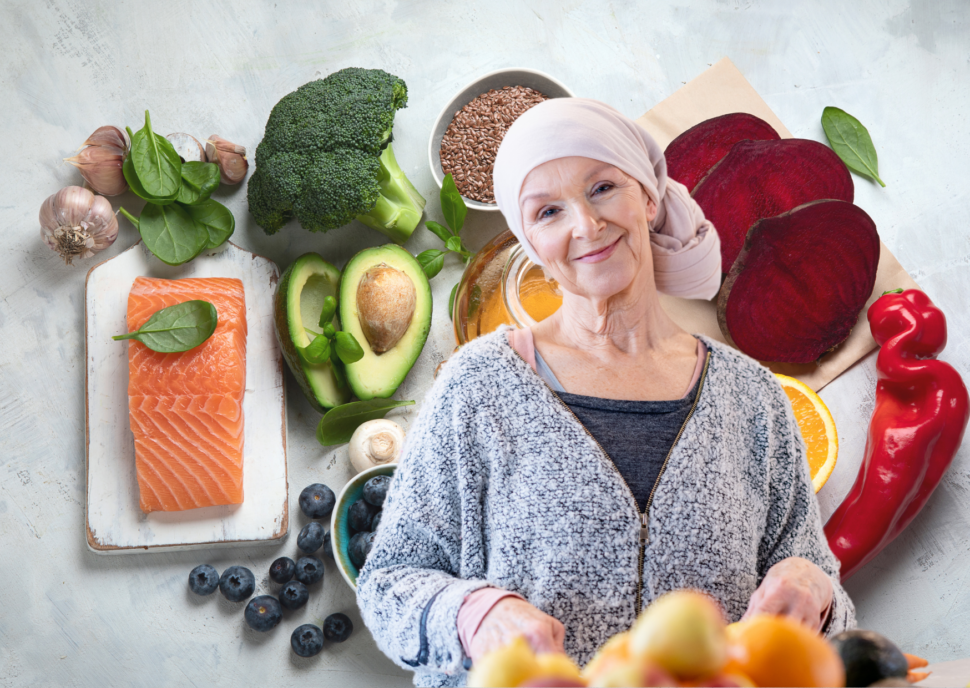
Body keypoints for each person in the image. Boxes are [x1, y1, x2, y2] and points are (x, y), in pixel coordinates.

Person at [356, 98, 855, 687]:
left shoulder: (753, 398)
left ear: (647, 196)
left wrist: (815, 588)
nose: (585, 226)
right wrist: (475, 615)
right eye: (547, 212)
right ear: (530, 243)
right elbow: (390, 582)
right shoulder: (479, 383)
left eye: (601, 189)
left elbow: (839, 626)